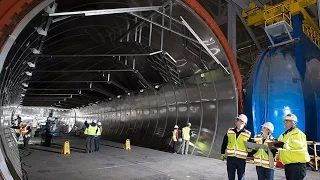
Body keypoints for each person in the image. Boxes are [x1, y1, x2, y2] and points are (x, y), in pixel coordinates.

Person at [273, 114, 310, 180]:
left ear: (293, 122)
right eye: (284, 121)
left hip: (297, 165)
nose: (285, 123)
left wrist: (280, 144)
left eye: (287, 121)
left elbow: (296, 146)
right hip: (288, 164)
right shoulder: (283, 135)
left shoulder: (297, 133)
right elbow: (280, 146)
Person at [220, 114, 251, 180]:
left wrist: (250, 151)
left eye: (237, 120)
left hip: (241, 160)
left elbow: (250, 147)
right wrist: (222, 153)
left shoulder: (247, 134)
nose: (235, 121)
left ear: (242, 122)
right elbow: (224, 143)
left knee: (241, 177)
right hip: (231, 158)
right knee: (231, 177)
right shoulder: (230, 131)